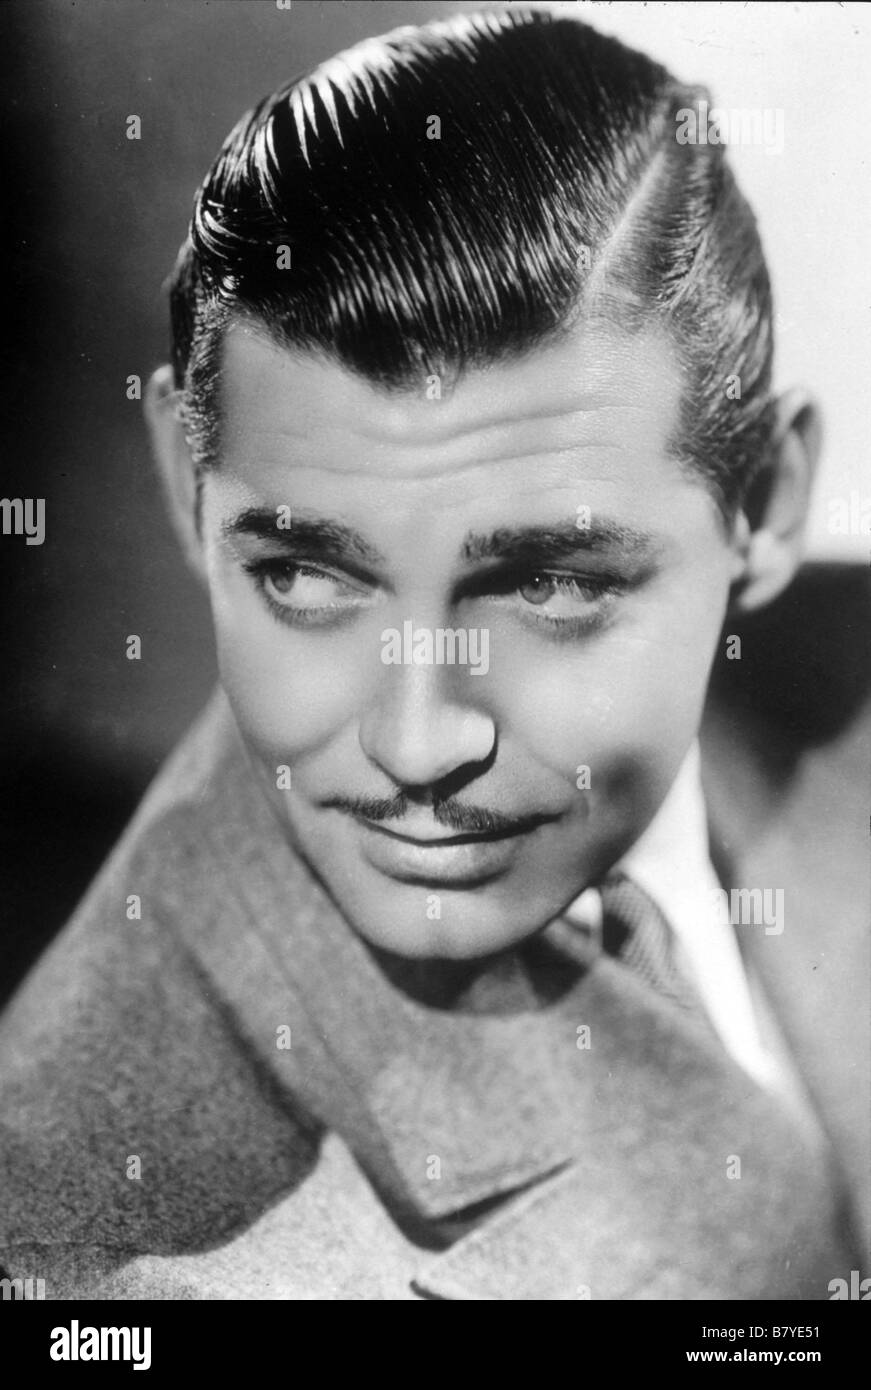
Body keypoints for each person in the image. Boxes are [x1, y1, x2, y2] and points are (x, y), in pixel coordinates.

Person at [0, 6, 867, 1300]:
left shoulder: (848, 671)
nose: (416, 744)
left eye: (555, 585)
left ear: (766, 503)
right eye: (306, 574)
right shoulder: (97, 1268)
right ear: (188, 487)